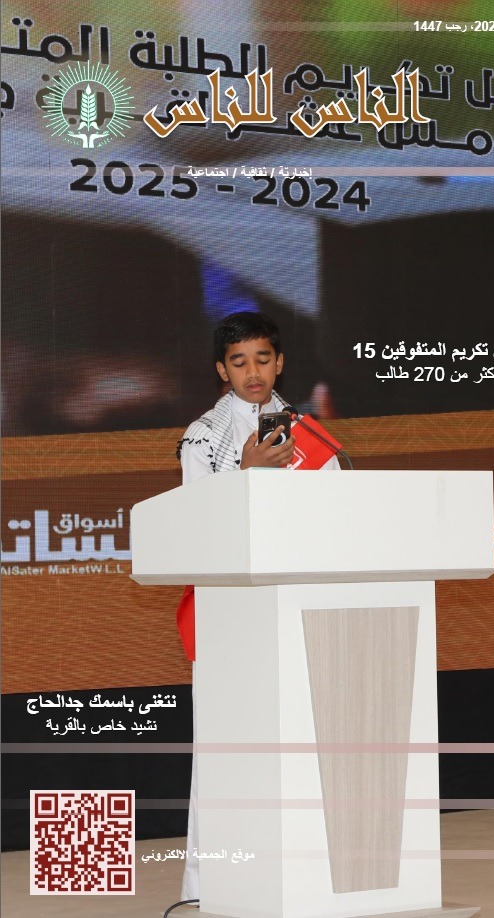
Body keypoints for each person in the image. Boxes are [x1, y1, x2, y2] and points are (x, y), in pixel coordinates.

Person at [176, 310, 339, 901]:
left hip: (296, 603)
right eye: (239, 362)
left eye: (263, 359)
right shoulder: (203, 437)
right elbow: (192, 523)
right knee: (224, 746)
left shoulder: (313, 435)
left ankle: (299, 870)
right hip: (229, 611)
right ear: (222, 370)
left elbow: (338, 512)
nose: (253, 372)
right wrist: (245, 473)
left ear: (280, 363)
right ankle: (210, 880)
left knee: (299, 742)